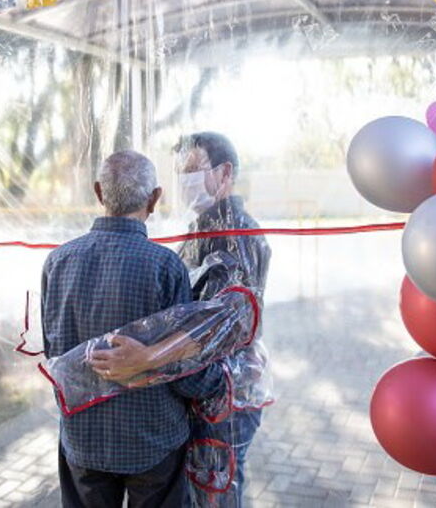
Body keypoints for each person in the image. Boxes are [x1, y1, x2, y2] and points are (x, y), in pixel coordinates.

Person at [41, 151, 225, 508]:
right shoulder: (166, 267)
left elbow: (56, 353)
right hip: (152, 441)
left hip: (83, 439)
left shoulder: (57, 262)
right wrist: (219, 381)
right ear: (154, 198)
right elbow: (181, 369)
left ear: (98, 192)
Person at [174, 132, 272, 502]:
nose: (184, 182)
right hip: (212, 391)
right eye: (180, 172)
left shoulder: (235, 234)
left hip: (225, 395)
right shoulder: (204, 228)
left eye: (192, 170)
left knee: (217, 491)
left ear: (224, 172)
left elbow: (222, 326)